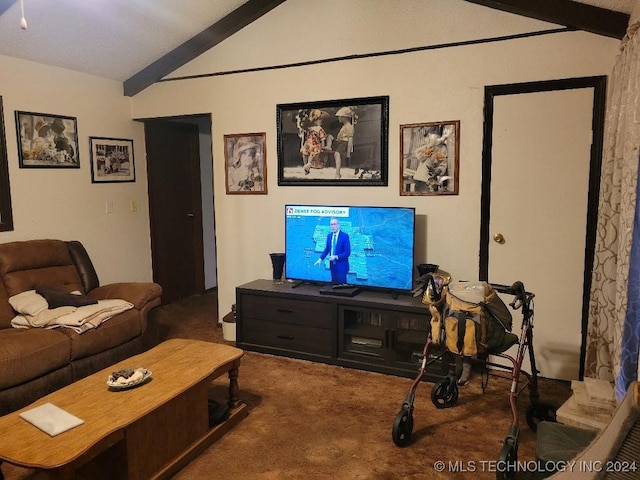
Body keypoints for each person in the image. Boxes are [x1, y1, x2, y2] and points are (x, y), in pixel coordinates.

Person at [314, 218, 351, 284]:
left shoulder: (345, 236)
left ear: (338, 225)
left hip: (342, 266)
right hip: (333, 266)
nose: (332, 226)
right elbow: (327, 249)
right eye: (331, 224)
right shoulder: (329, 236)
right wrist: (320, 259)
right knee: (334, 286)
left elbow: (347, 252)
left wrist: (336, 257)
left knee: (342, 288)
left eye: (334, 224)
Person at [301, 109, 332, 175]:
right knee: (312, 152)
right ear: (317, 120)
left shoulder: (309, 128)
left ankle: (306, 165)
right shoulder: (319, 129)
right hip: (315, 145)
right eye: (320, 120)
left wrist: (302, 145)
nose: (321, 122)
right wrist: (323, 147)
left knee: (305, 153)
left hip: (307, 144)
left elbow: (305, 137)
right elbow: (322, 138)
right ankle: (308, 164)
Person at [333, 106, 355, 179]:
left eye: (340, 117)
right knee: (329, 137)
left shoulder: (349, 127)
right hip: (340, 142)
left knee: (337, 154)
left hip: (344, 143)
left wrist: (348, 152)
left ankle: (337, 173)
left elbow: (350, 139)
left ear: (344, 117)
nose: (339, 118)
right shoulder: (344, 126)